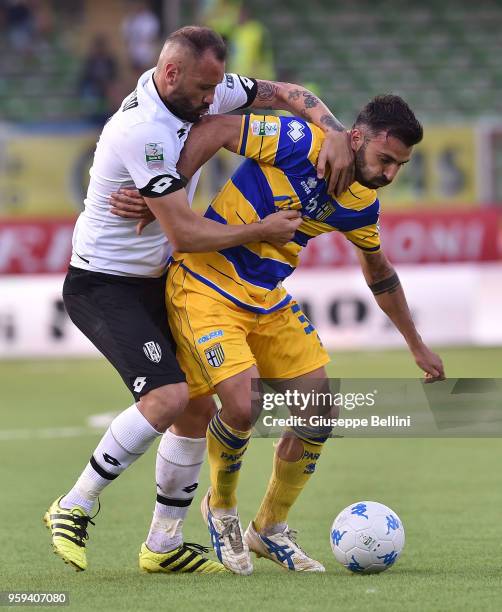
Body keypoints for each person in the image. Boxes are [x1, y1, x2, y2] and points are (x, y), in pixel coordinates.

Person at [44, 25, 355, 575]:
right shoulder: (143, 130)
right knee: (166, 399)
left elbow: (286, 93)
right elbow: (186, 235)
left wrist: (330, 128)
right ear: (170, 73)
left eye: (217, 88)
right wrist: (262, 229)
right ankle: (74, 504)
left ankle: (162, 545)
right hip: (105, 283)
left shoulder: (198, 85)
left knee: (197, 410)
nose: (212, 101)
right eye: (203, 91)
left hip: (156, 278)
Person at [113, 94, 445, 574]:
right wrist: (170, 192)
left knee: (319, 407)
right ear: (356, 138)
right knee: (244, 406)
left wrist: (416, 344)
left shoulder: (361, 205)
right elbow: (218, 128)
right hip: (204, 285)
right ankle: (221, 509)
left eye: (399, 166)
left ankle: (268, 528)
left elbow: (379, 271)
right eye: (385, 159)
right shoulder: (297, 142)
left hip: (267, 298)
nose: (390, 174)